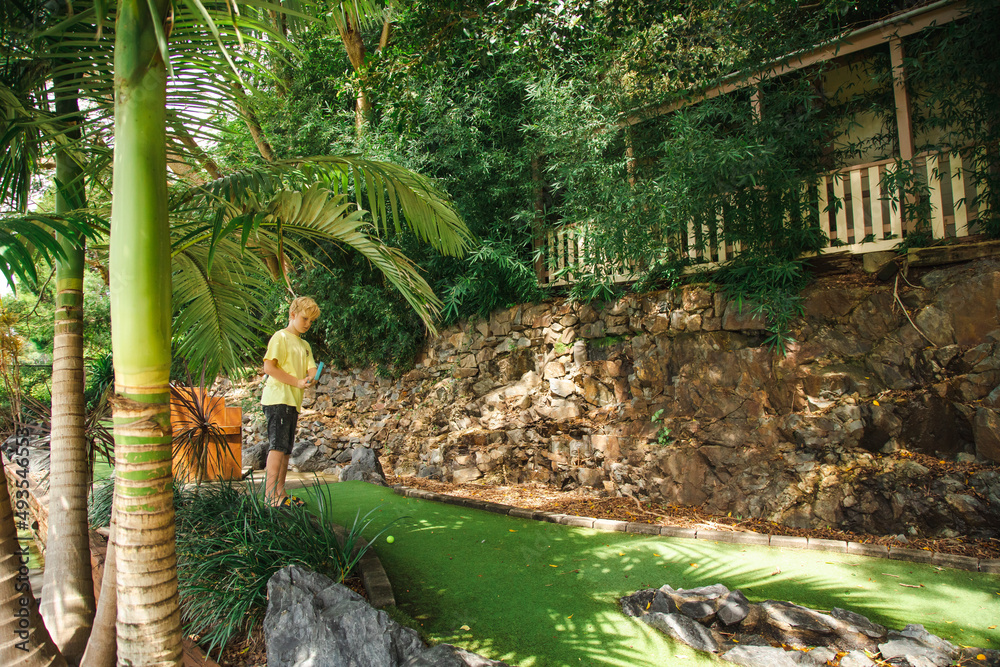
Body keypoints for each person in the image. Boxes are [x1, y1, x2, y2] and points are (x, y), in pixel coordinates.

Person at [261, 296, 320, 507]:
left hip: (292, 402)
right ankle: (271, 496)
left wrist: (312, 377)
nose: (307, 324)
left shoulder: (304, 345)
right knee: (277, 447)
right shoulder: (280, 337)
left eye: (311, 321)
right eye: (305, 318)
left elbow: (311, 367)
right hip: (278, 399)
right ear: (292, 315)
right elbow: (269, 367)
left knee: (286, 450)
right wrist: (296, 381)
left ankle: (280, 493)